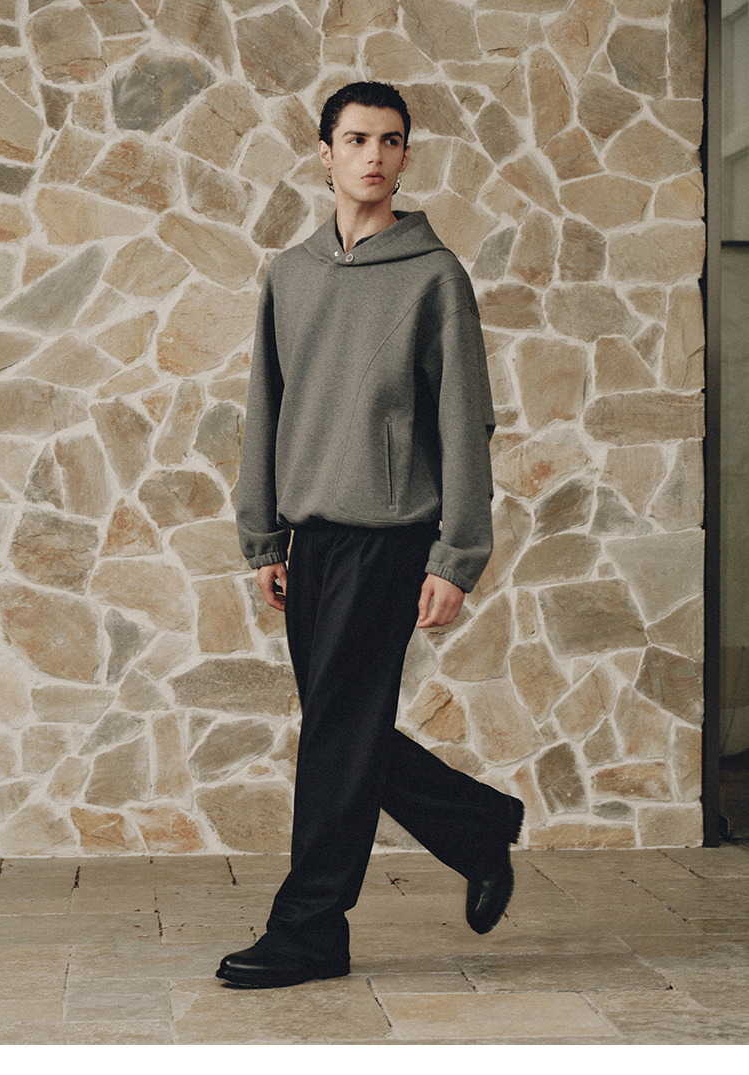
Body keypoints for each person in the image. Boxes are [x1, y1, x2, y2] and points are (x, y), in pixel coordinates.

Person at [217, 81, 524, 990]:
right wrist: (263, 535)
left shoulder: (434, 277)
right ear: (325, 153)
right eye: (356, 139)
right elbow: (265, 408)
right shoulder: (292, 273)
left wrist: (457, 555)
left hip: (390, 537)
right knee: (342, 729)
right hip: (310, 539)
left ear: (404, 157)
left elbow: (466, 422)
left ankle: (310, 927)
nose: (374, 156)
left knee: (337, 733)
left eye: (390, 141)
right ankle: (477, 825)